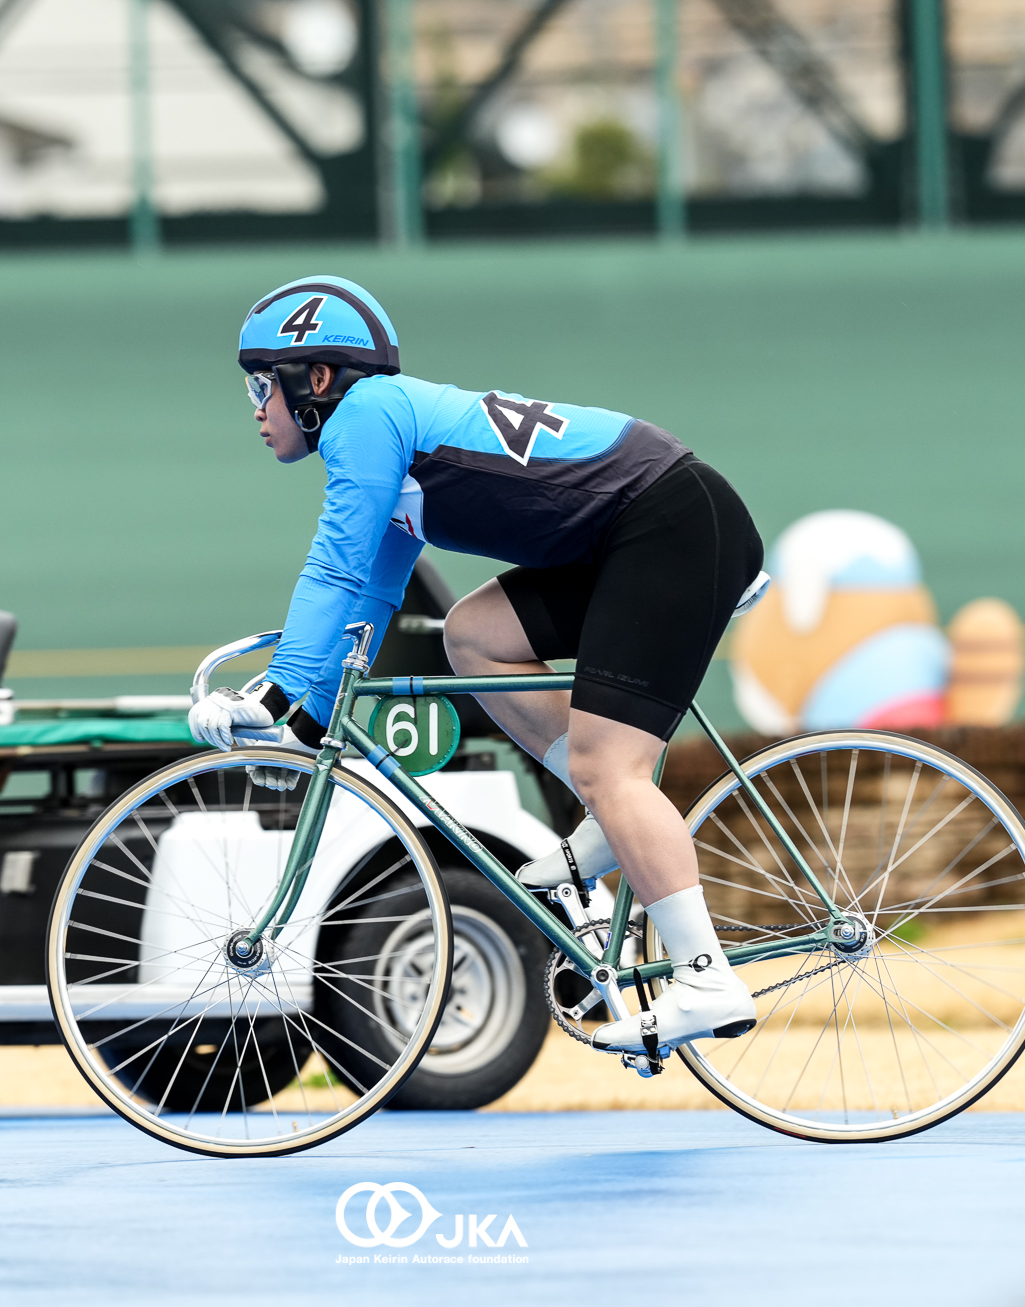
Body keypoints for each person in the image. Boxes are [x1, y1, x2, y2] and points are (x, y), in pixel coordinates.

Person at [188, 275, 767, 1055]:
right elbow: (364, 594)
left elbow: (329, 568)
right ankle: (603, 815)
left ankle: (705, 977)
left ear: (315, 380)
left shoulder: (366, 417)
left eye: (263, 385)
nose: (256, 408)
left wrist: (277, 688)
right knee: (475, 635)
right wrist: (306, 714)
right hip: (647, 522)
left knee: (611, 767)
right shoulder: (386, 437)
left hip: (669, 523)